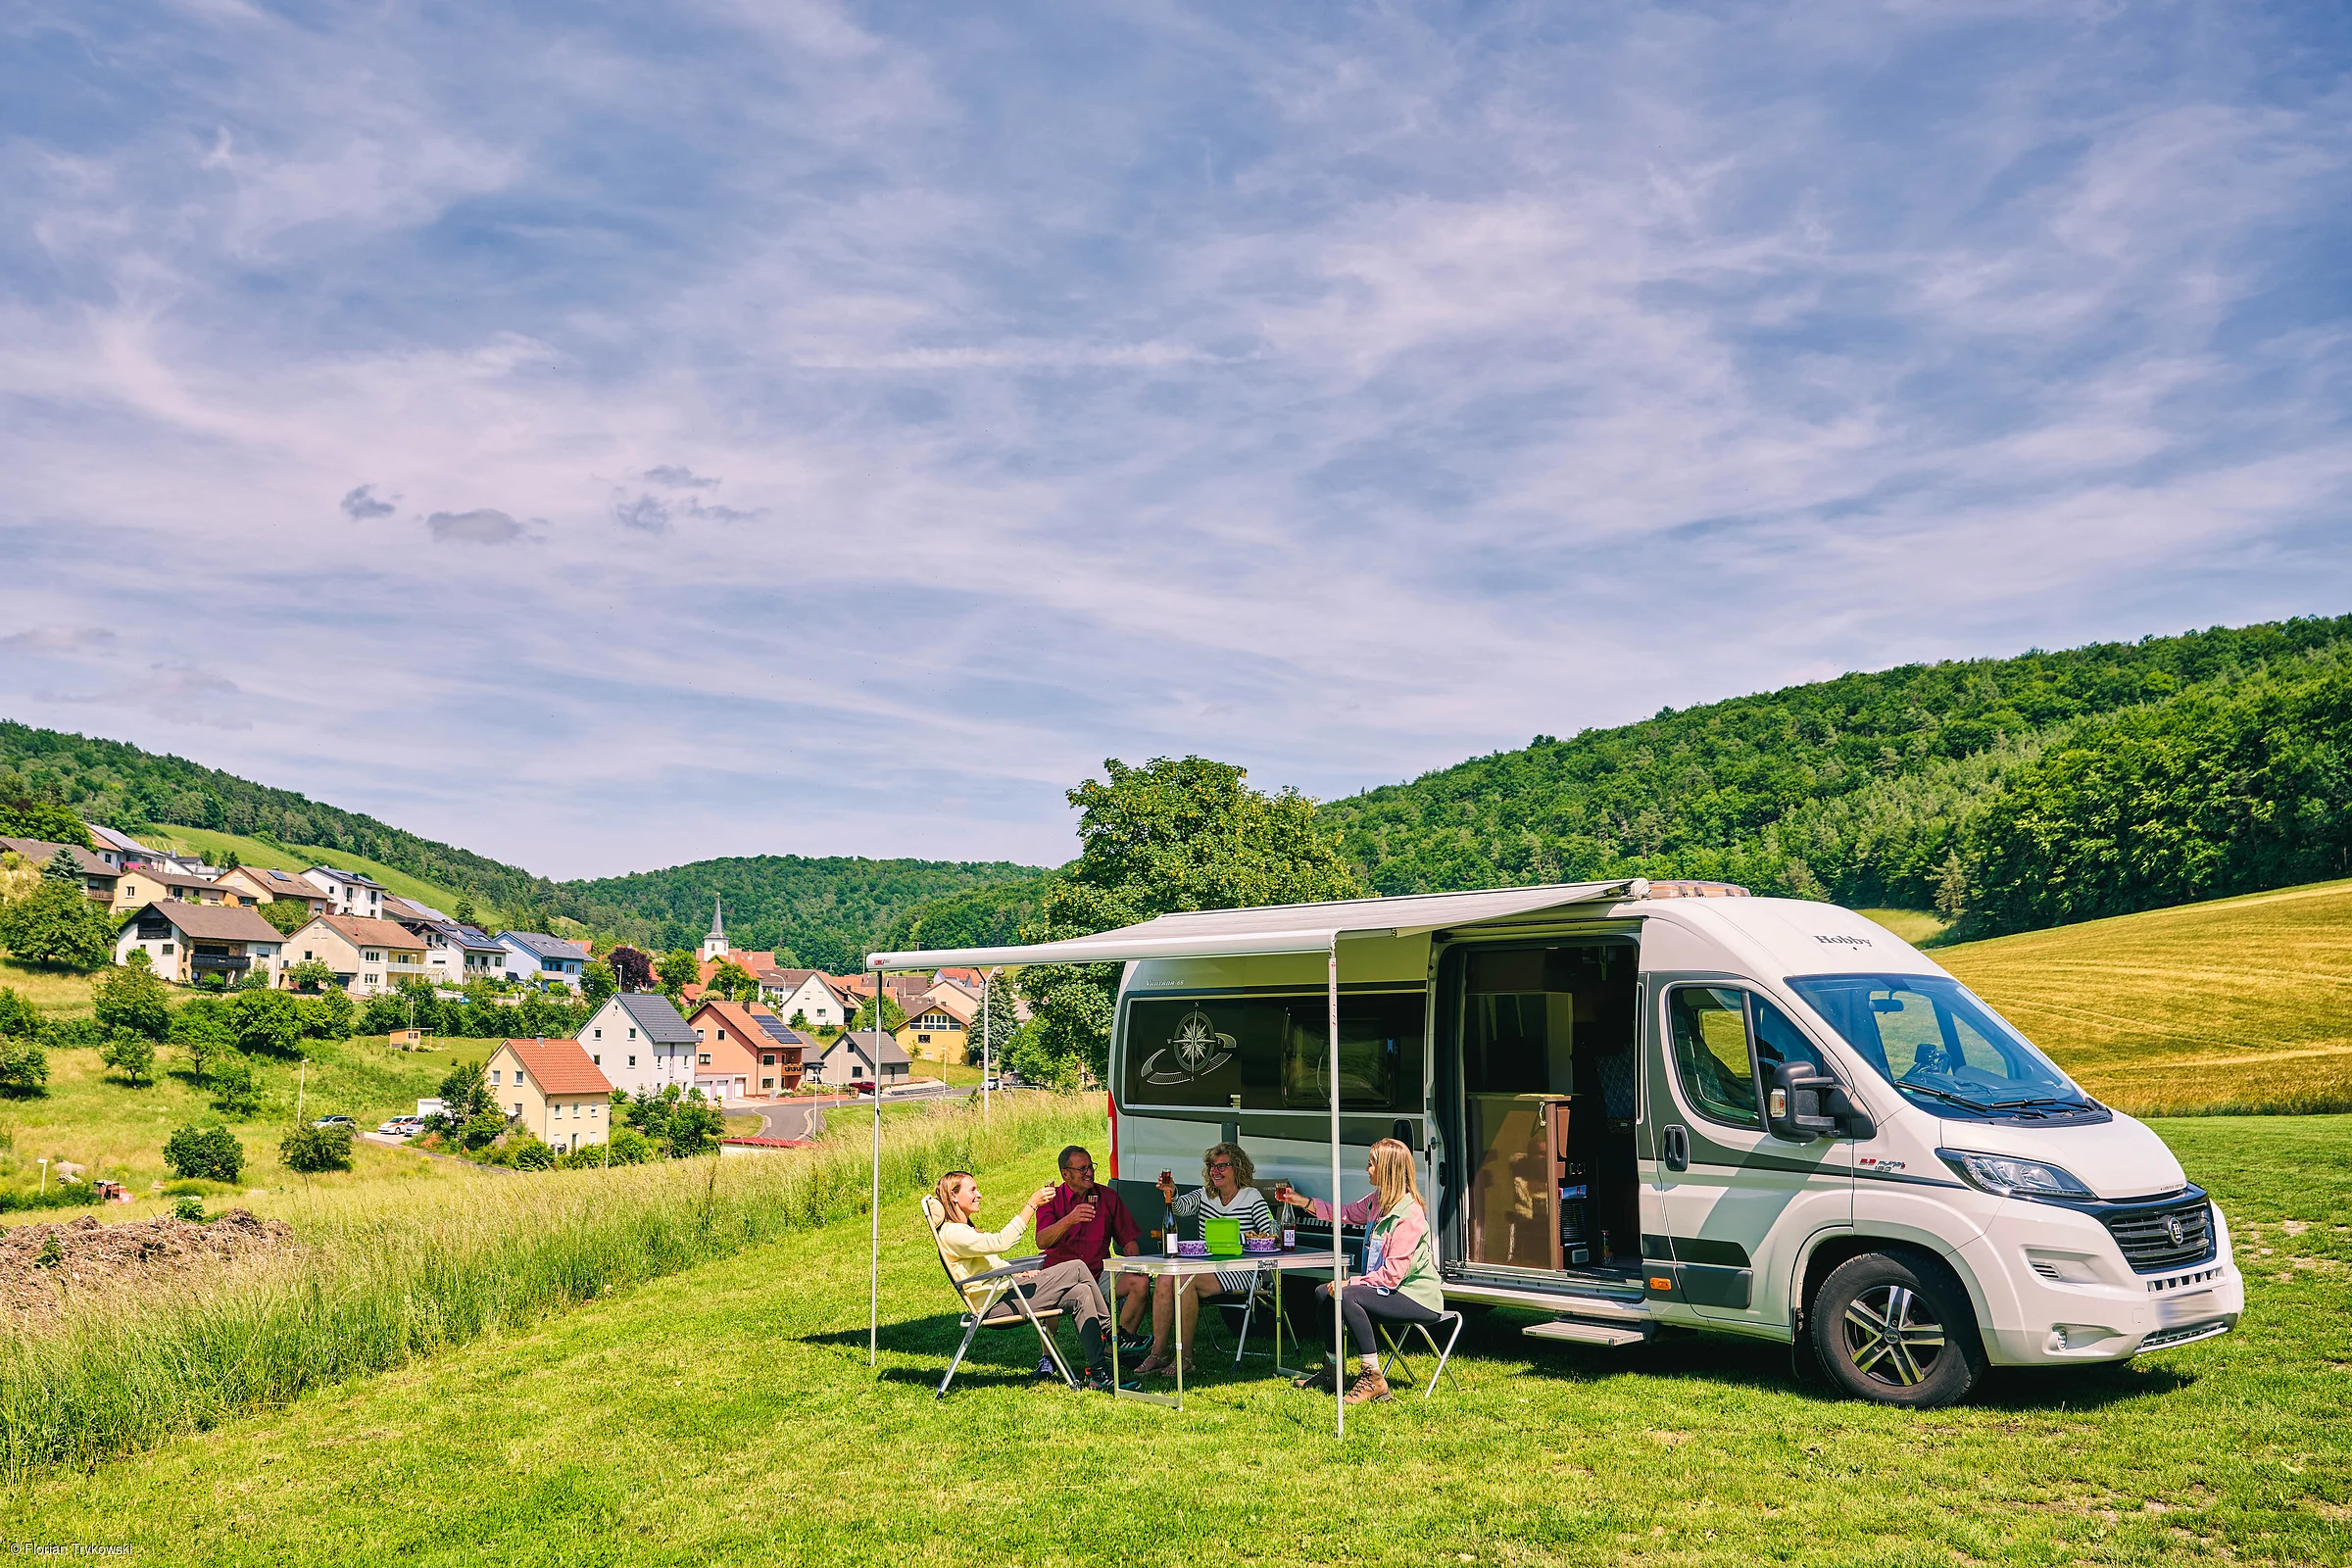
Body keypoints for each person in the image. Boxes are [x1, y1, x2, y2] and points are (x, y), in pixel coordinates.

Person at [1273, 1138, 1444, 1405]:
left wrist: (1350, 1281)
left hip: (1416, 1297)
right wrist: (1302, 1202)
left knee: (1348, 1295)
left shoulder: (1409, 1215)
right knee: (1323, 1293)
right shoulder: (1377, 1201)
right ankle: (1332, 1370)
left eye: (1371, 1164)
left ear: (1388, 1169)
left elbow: (1392, 1276)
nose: (1367, 1169)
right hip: (1388, 1290)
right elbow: (1343, 1213)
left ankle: (1373, 1378)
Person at [929, 1168, 1127, 1393]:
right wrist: (1031, 1205)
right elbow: (1001, 1242)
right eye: (972, 1189)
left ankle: (1099, 1374)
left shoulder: (962, 1230)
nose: (979, 1194)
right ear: (953, 1196)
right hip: (995, 1305)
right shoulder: (954, 1233)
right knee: (1078, 1268)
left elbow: (989, 1265)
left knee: (1081, 1292)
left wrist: (1016, 1272)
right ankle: (1114, 1334)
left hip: (1005, 1292)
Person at [1137, 1142, 1277, 1378]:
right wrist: (1170, 1191)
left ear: (1238, 1168)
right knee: (1164, 1278)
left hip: (1239, 1269)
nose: (1216, 1171)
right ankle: (1158, 1353)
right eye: (1212, 1166)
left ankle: (1186, 1357)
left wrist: (1242, 1238)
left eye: (1222, 1166)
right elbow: (1180, 1208)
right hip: (1204, 1266)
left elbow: (1268, 1233)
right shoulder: (1204, 1195)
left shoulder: (1251, 1197)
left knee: (1184, 1280)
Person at [1033, 1145, 1153, 1355]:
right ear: (1065, 1174)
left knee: (1140, 1282)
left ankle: (1117, 1344)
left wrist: (1136, 1264)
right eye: (1082, 1169)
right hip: (1062, 1276)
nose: (1089, 1173)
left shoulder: (1106, 1196)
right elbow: (1041, 1241)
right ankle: (1048, 1357)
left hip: (1098, 1272)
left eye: (1091, 1167)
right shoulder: (1051, 1199)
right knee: (1046, 1293)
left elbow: (1129, 1239)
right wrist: (1070, 1219)